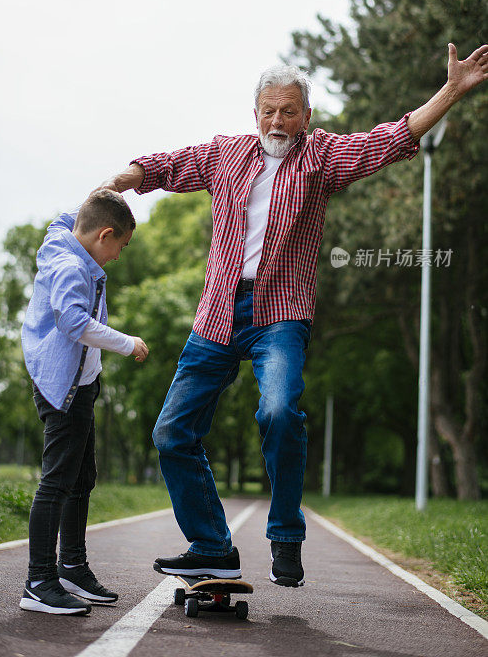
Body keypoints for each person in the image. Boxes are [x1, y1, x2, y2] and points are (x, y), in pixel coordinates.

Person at [104, 42, 488, 587]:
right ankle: (211, 545)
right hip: (218, 312)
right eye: (269, 110)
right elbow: (168, 164)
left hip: (280, 315)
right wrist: (124, 179)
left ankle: (285, 535)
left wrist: (451, 90)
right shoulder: (226, 154)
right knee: (171, 433)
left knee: (280, 411)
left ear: (307, 116)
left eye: (289, 111)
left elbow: (391, 140)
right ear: (254, 114)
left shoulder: (321, 157)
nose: (278, 121)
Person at [20, 189, 149, 615]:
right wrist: (127, 343)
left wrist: (111, 186)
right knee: (57, 481)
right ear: (105, 235)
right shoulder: (71, 266)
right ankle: (39, 580)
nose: (117, 256)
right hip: (65, 389)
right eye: (121, 246)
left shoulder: (63, 234)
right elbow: (72, 321)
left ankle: (71, 566)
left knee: (81, 478)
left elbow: (73, 214)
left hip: (83, 383)